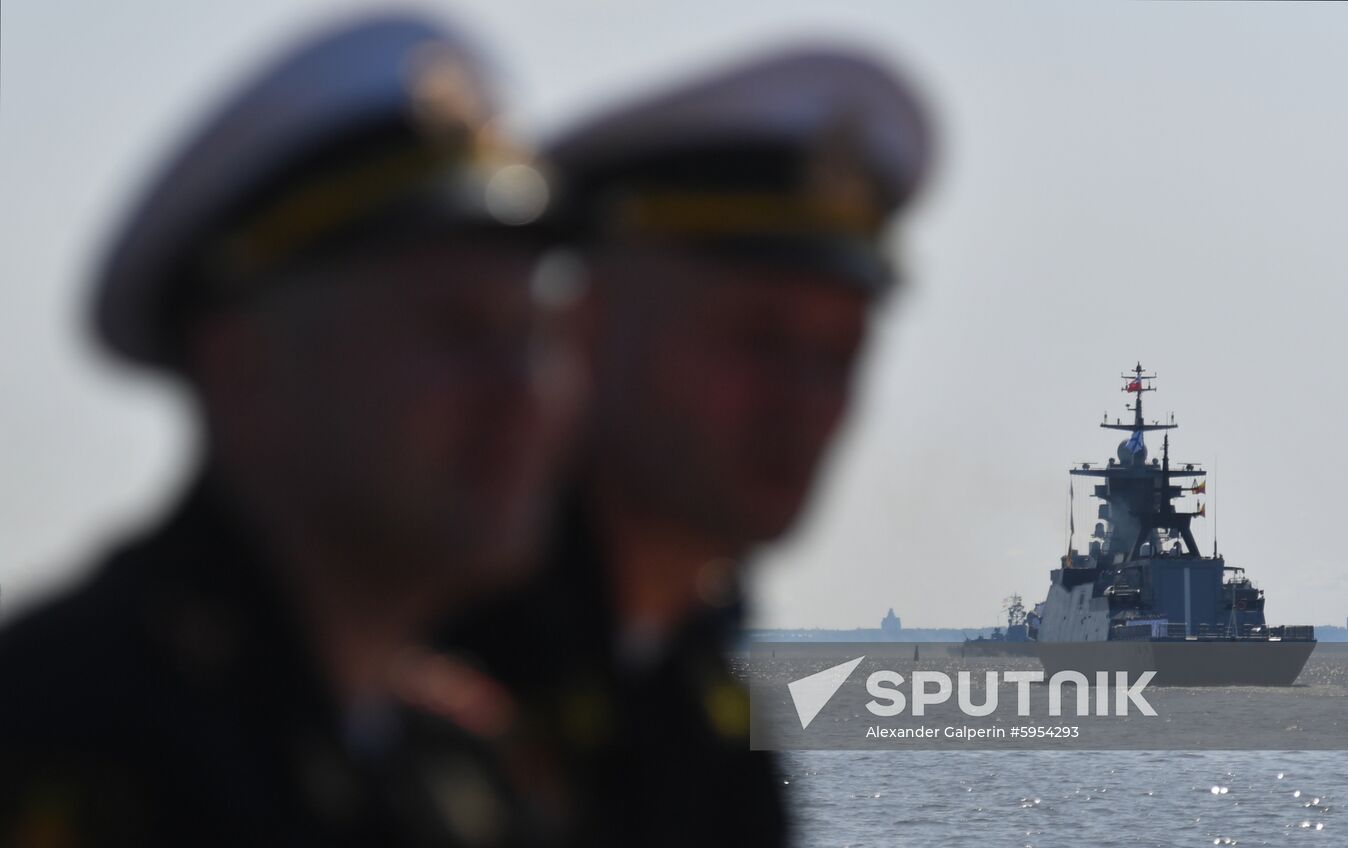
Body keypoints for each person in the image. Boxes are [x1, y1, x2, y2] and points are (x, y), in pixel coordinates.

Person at [0, 13, 587, 847]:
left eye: (537, 339)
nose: (520, 393)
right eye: (456, 331)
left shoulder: (459, 776)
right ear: (243, 363)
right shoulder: (77, 732)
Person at [450, 47, 934, 846]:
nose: (805, 402)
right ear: (587, 326)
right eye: (758, 339)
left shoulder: (698, 698)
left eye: (839, 357)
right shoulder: (443, 660)